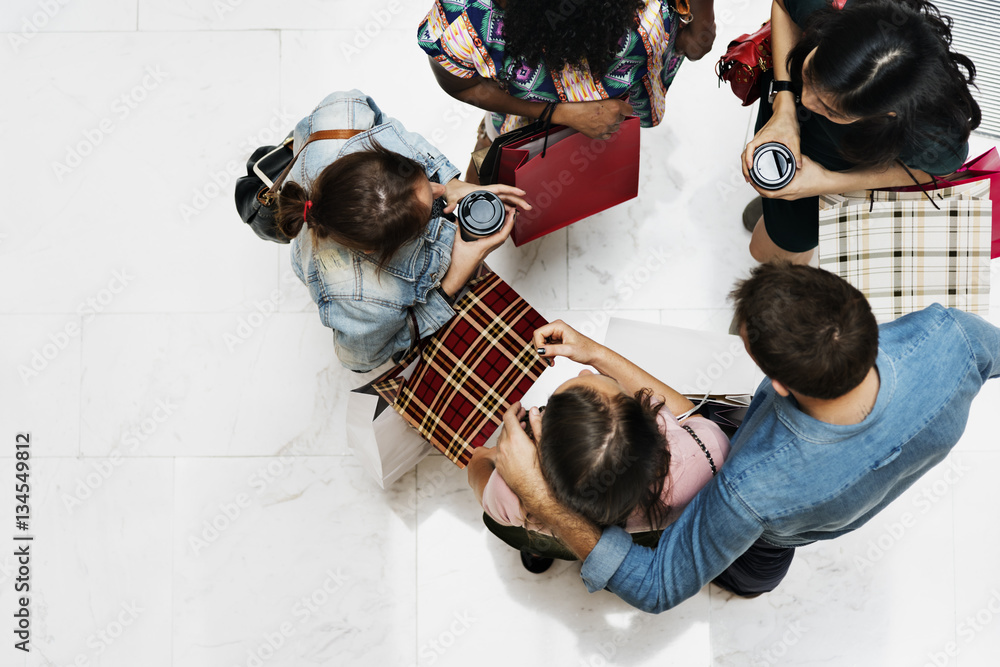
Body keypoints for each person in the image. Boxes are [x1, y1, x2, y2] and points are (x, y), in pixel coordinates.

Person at [494, 262, 1000, 611]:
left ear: (778, 385)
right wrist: (598, 356)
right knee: (759, 577)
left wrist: (541, 497)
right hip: (795, 527)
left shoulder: (749, 486)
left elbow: (657, 585)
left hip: (763, 540)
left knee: (747, 575)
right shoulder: (950, 334)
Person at [276, 90, 528, 372]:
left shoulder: (343, 115)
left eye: (418, 172)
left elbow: (384, 124)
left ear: (370, 153)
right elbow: (358, 360)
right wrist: (451, 283)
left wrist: (450, 181)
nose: (438, 190)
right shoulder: (366, 302)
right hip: (335, 276)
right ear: (376, 249)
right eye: (427, 211)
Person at [741, 0, 981, 263]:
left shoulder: (930, 131)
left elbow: (940, 171)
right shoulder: (832, 8)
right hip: (780, 103)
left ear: (886, 116)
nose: (807, 102)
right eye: (810, 74)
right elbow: (784, 5)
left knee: (768, 253)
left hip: (839, 164)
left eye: (831, 110)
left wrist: (828, 181)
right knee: (777, 204)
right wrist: (785, 102)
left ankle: (784, 223)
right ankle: (775, 211)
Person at [466, 337, 730, 572]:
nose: (582, 369)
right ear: (652, 426)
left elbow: (478, 472)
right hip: (654, 529)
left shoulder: (514, 490)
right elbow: (688, 416)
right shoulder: (710, 451)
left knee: (516, 531)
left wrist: (491, 456)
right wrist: (597, 354)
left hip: (560, 536)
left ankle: (537, 550)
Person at [417, 0, 717, 181]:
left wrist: (702, 16)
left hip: (629, 87)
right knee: (493, 156)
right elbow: (458, 81)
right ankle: (476, 214)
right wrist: (560, 113)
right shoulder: (469, 16)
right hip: (524, 112)